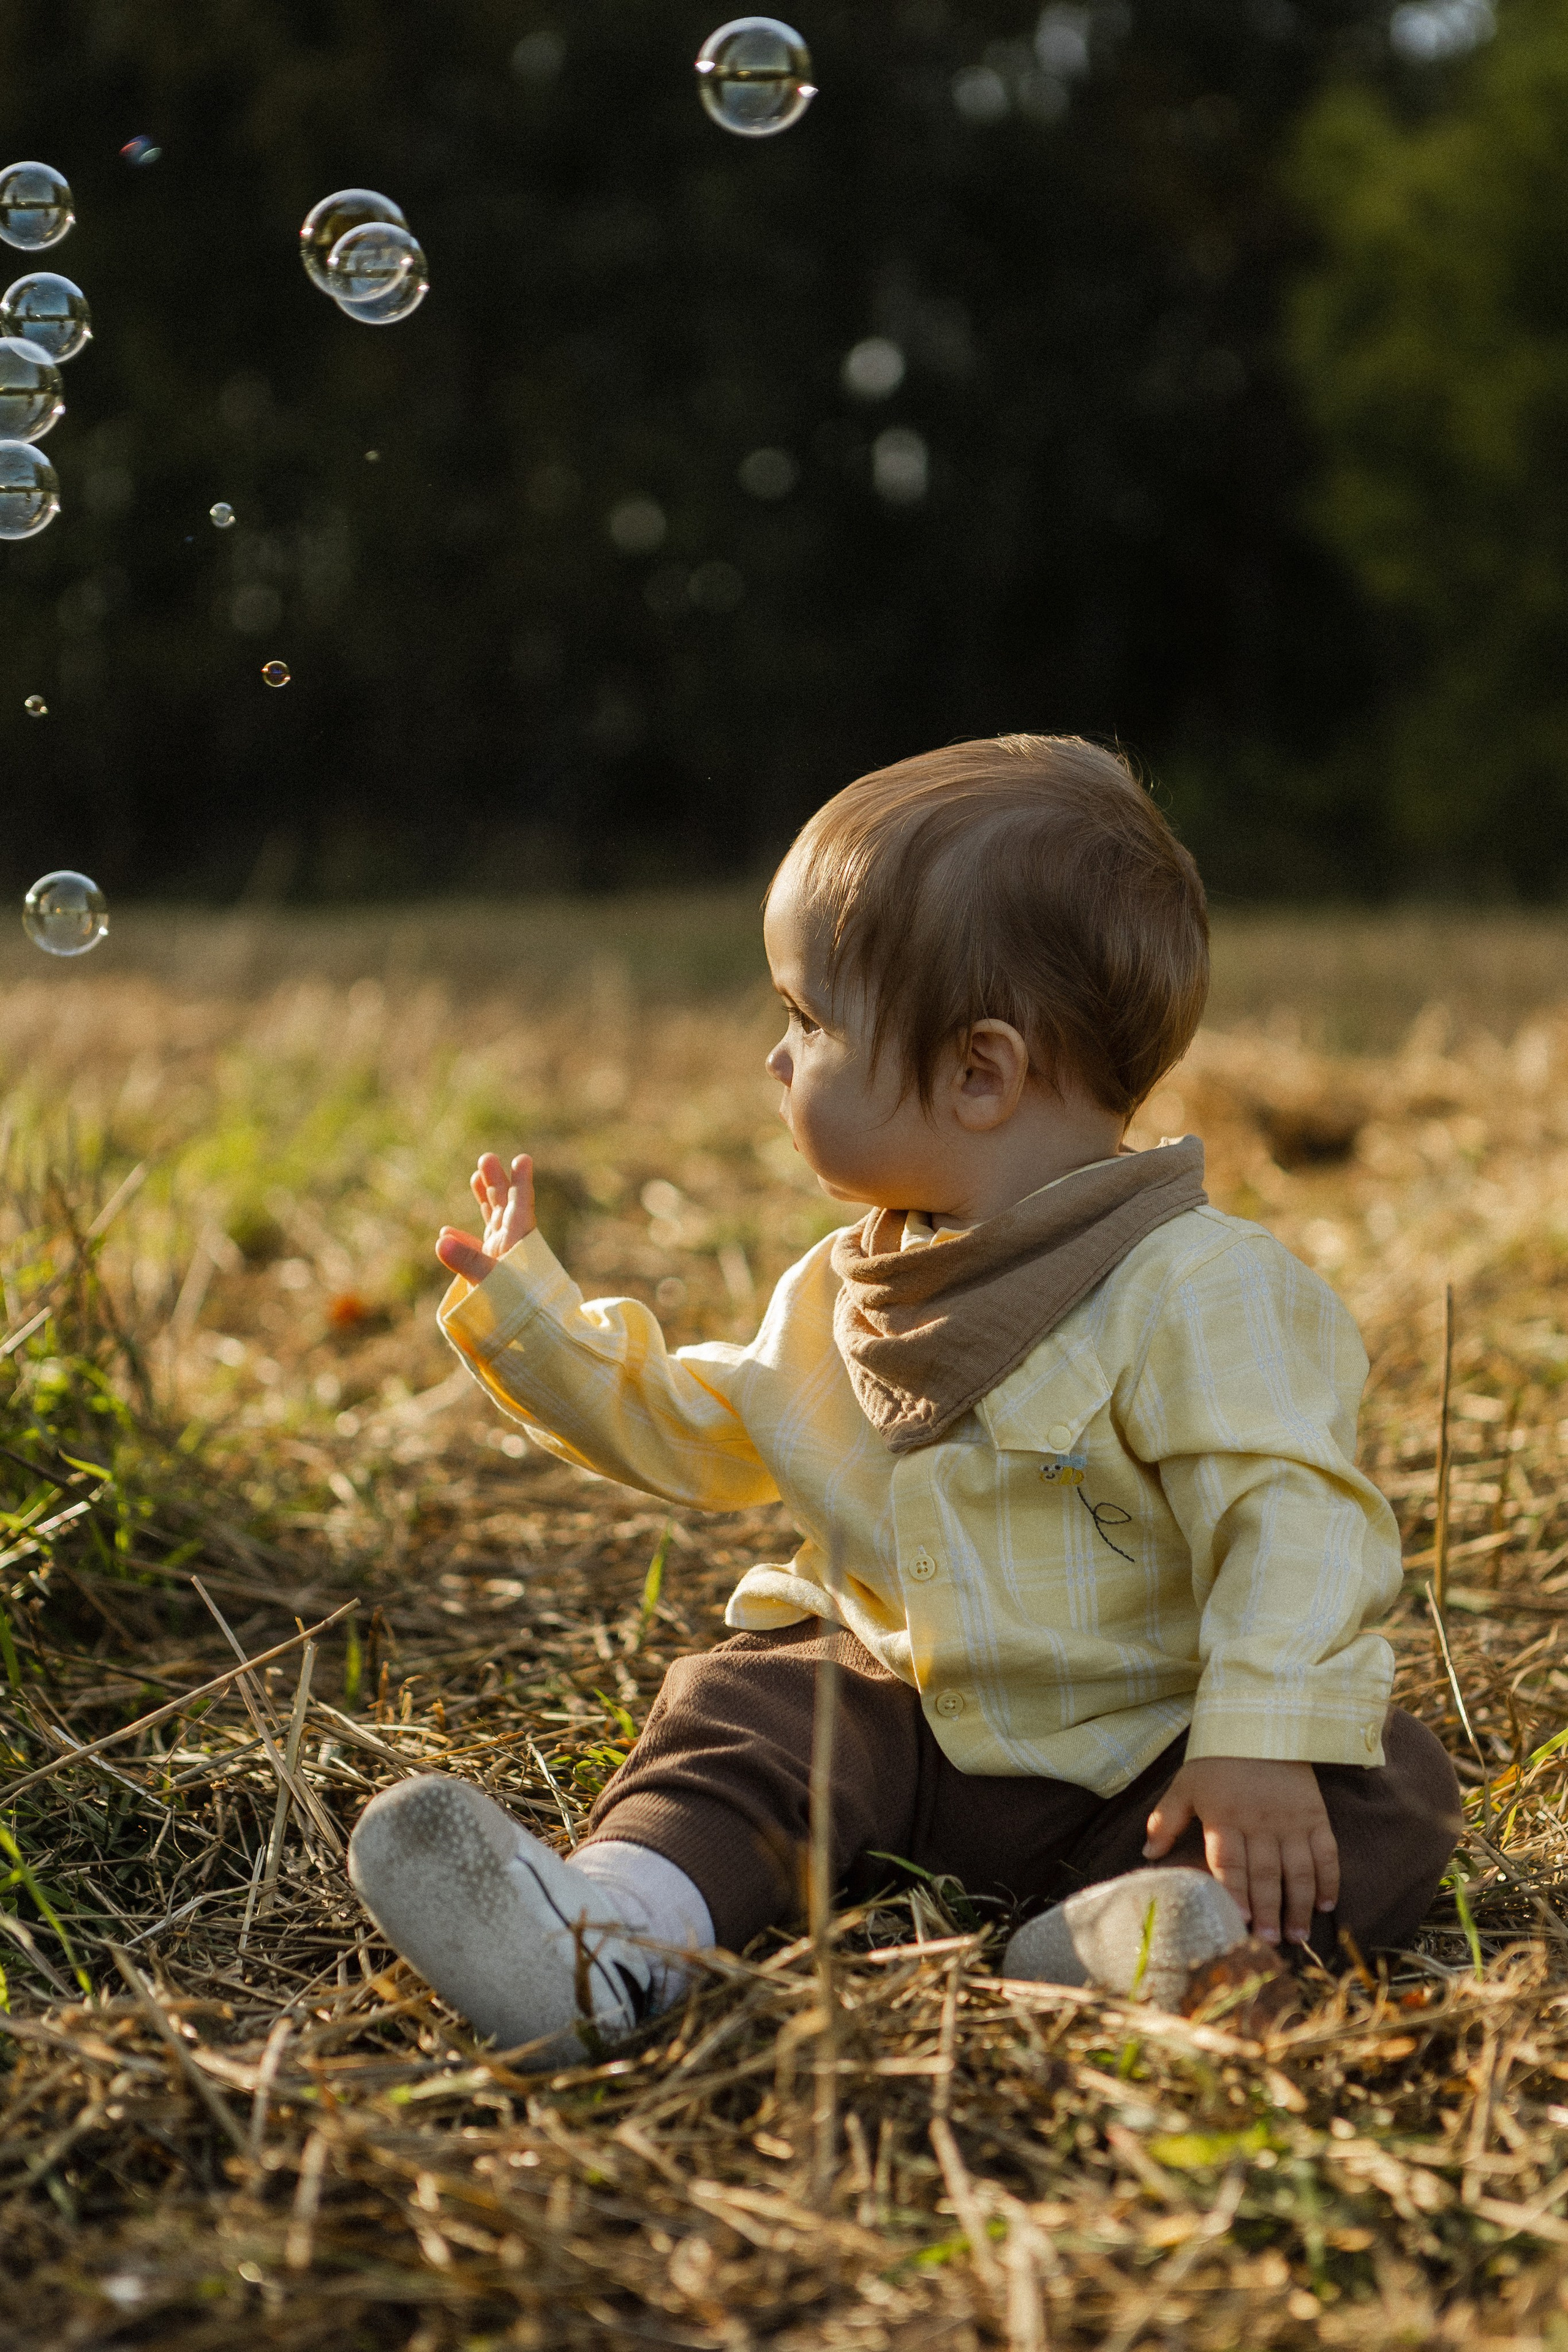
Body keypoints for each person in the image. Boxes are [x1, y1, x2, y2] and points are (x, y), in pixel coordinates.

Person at [348, 734, 1460, 2059]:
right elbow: (709, 1426)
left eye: (805, 1021)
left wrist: (1257, 1740)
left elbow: (1295, 1517)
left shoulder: (1197, 1287)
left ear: (978, 1073)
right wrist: (534, 1316)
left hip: (1148, 1758)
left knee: (1381, 1786)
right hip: (901, 1728)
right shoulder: (846, 1285)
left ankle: (1128, 1944)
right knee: (749, 1705)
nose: (775, 1060)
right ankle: (611, 1939)